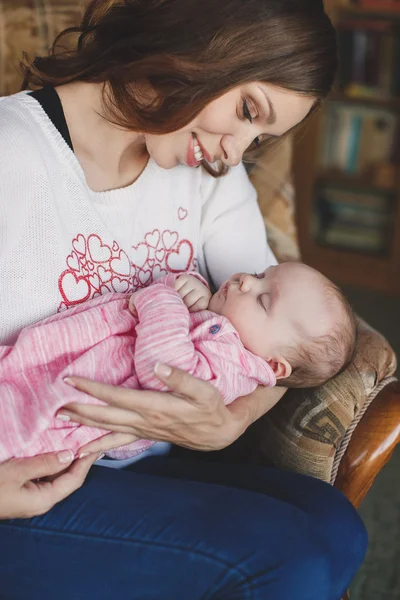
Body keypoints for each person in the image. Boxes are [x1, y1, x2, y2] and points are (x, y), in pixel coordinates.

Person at [0, 1, 367, 598]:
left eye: (260, 136)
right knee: (286, 559)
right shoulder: (11, 152)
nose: (234, 152)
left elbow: (278, 338)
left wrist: (228, 422)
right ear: (201, 39)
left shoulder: (202, 175)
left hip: (134, 464)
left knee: (336, 527)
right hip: (30, 477)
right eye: (248, 110)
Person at [0, 263, 356, 463]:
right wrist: (190, 290)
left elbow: (168, 373)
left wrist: (164, 297)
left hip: (64, 409)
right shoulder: (221, 327)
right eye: (261, 274)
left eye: (264, 300)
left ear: (274, 367)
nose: (246, 280)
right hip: (50, 361)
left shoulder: (233, 369)